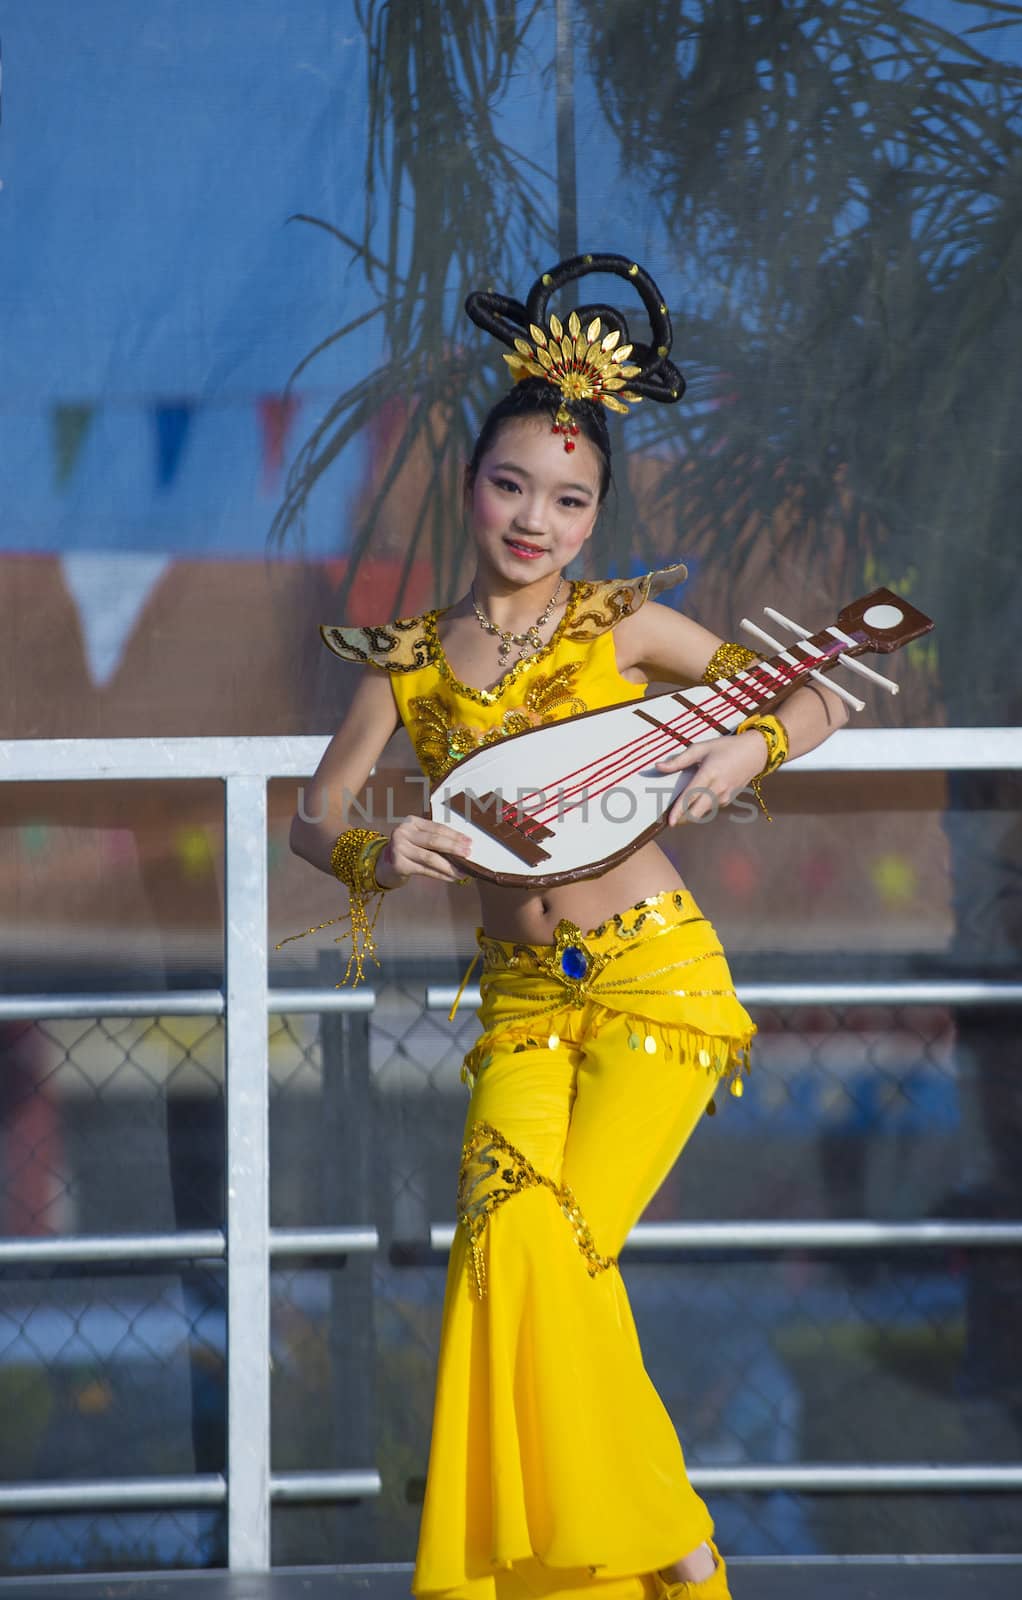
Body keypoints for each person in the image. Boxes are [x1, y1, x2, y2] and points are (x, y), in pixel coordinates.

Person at [283, 255, 849, 1600]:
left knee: (549, 1249)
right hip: (523, 996)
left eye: (569, 498)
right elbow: (316, 812)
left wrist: (750, 747)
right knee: (505, 1253)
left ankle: (654, 1545)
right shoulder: (411, 657)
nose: (535, 518)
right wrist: (377, 844)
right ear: (469, 487)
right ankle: (658, 1549)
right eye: (511, 486)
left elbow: (823, 695)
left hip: (656, 986)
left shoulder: (624, 624)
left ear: (596, 517)